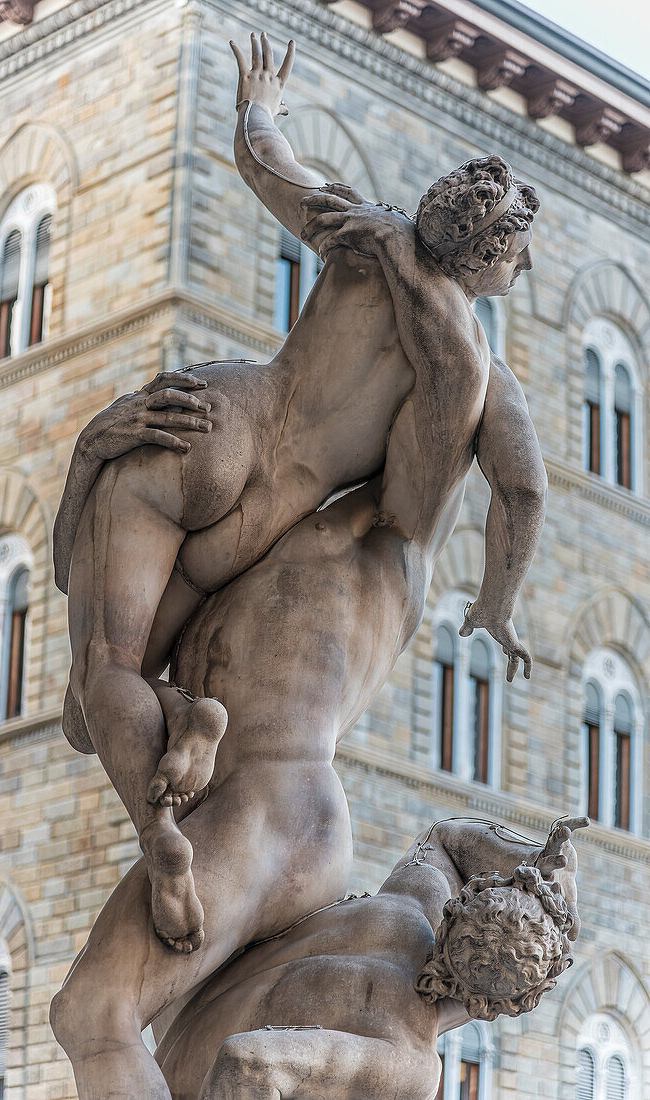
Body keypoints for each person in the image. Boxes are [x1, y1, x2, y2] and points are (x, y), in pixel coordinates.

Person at [53, 31, 541, 952]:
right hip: (271, 518)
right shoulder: (480, 372)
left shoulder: (368, 233)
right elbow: (523, 491)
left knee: (99, 689)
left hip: (216, 423)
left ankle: (174, 758)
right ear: (490, 266)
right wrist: (496, 602)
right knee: (102, 699)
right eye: (519, 263)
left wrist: (264, 100)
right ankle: (188, 741)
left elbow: (261, 158)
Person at [50, 327, 546, 1099]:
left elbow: (497, 437)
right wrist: (90, 464)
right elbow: (91, 687)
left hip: (265, 811)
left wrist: (500, 595)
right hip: (270, 817)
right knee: (177, 1055)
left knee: (95, 1012)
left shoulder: (392, 534)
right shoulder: (265, 536)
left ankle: (186, 739)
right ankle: (186, 721)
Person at [158, 817, 587, 1100]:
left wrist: (529, 858)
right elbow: (245, 1063)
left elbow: (444, 836)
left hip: (173, 1007)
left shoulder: (412, 900)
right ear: (495, 1008)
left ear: (468, 900)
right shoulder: (407, 1058)